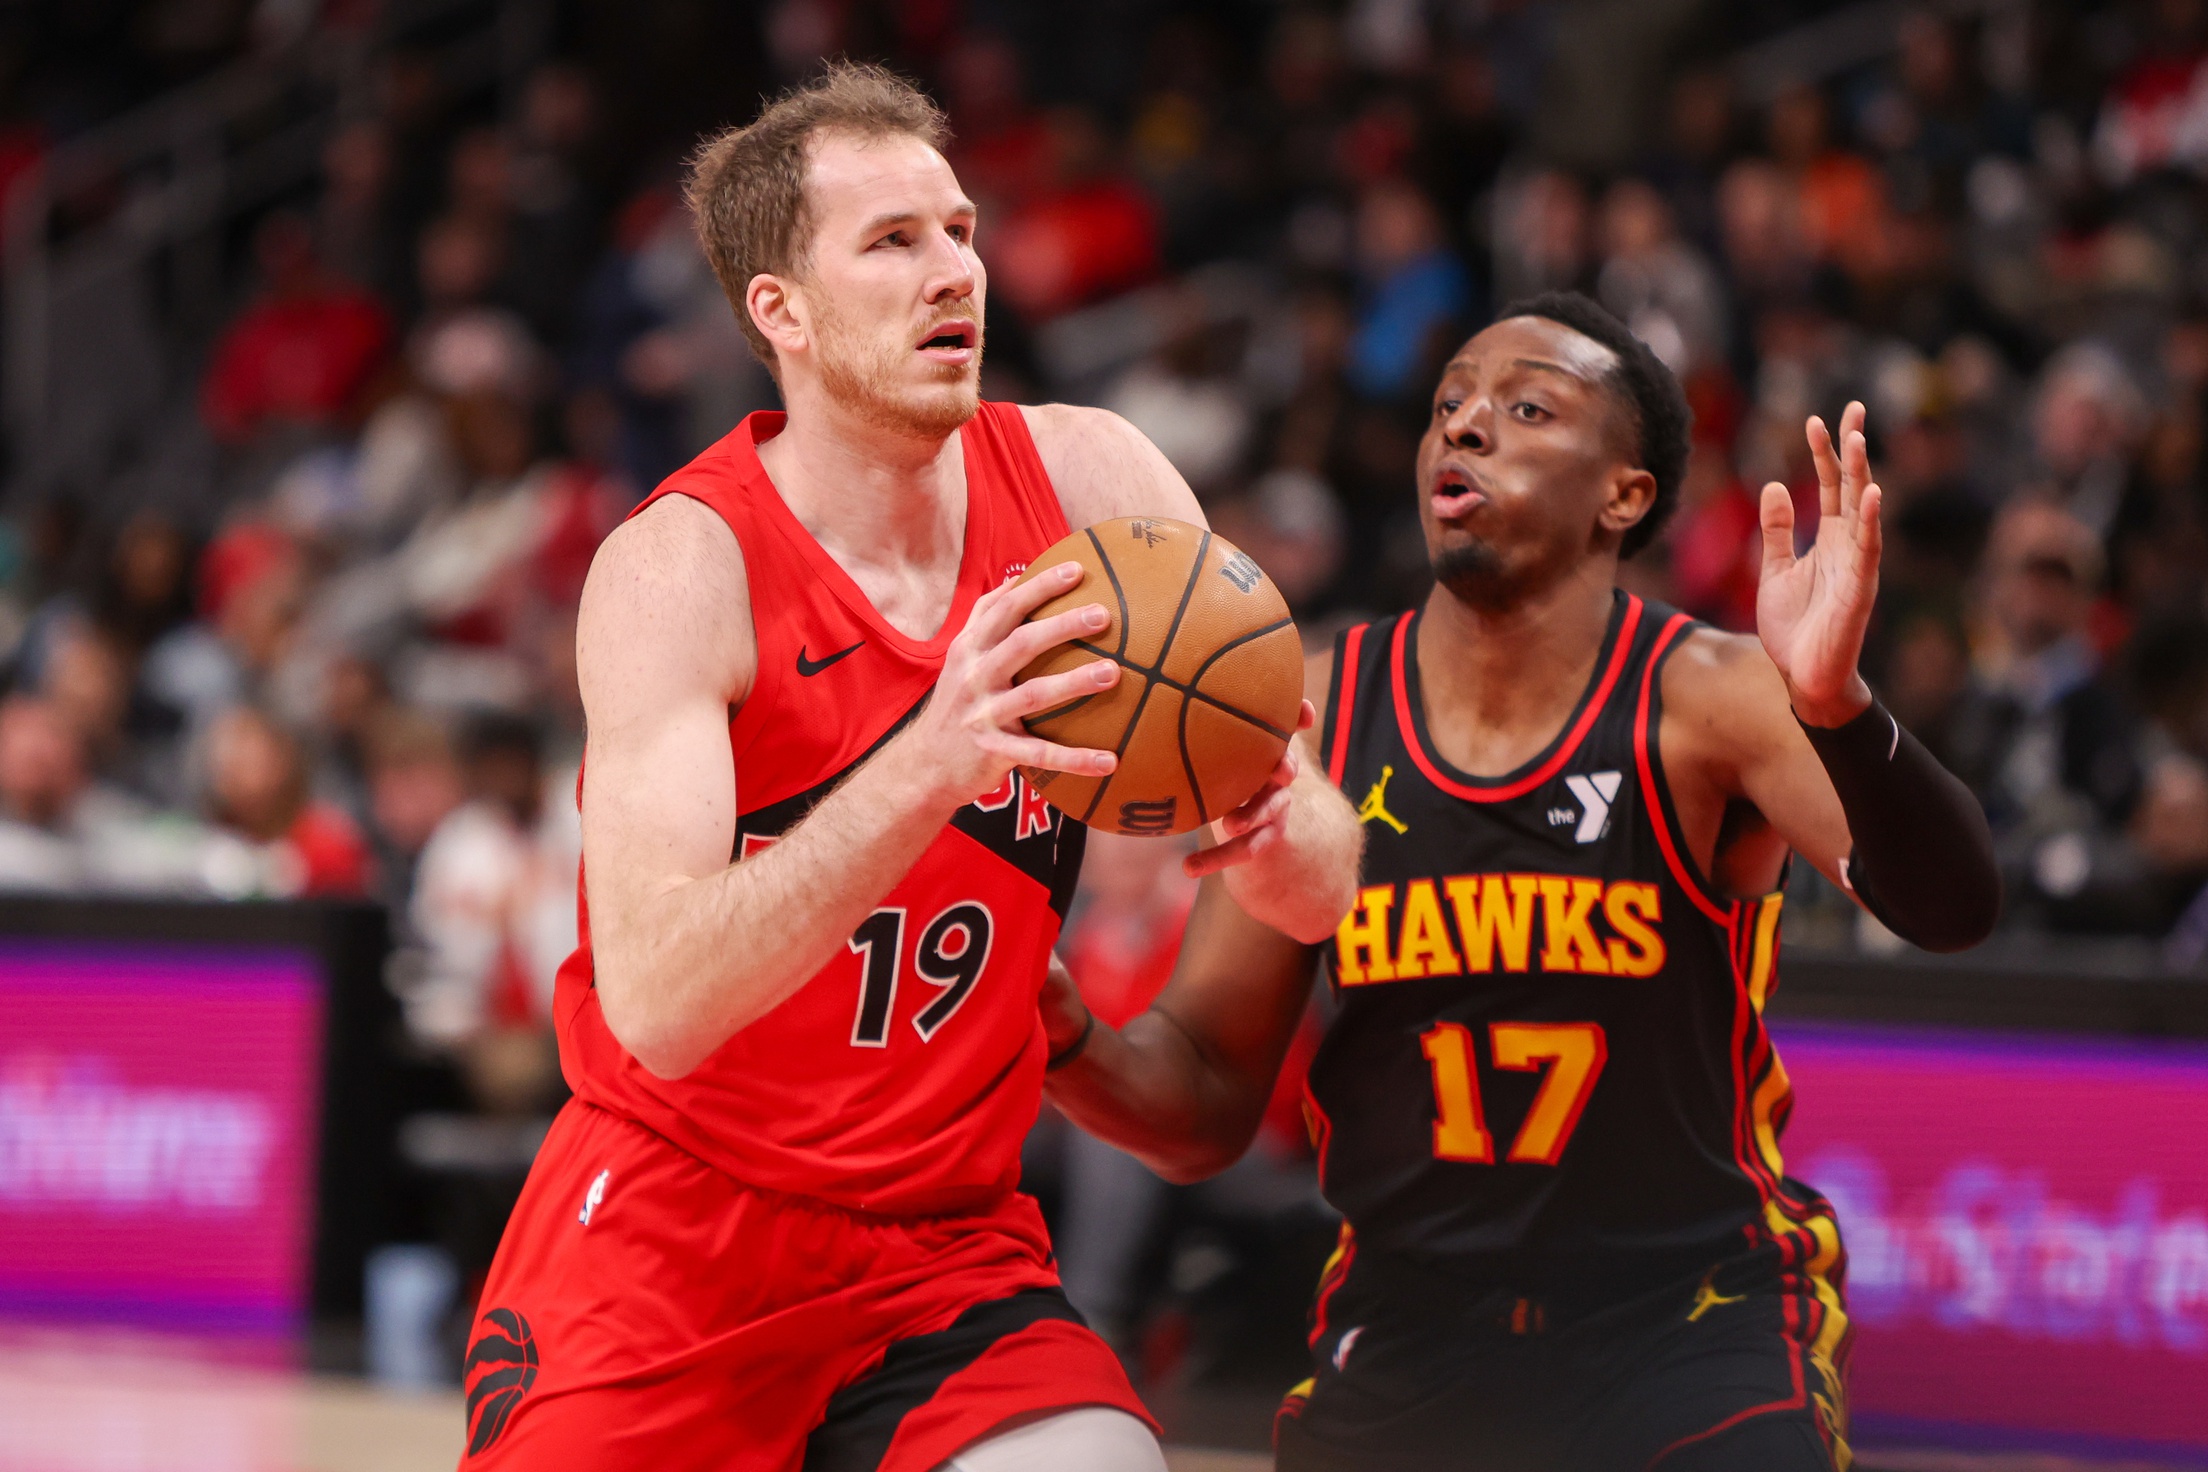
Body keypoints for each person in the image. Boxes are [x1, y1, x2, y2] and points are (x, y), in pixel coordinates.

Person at [460, 64, 1359, 1472]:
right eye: (893, 243)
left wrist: (1310, 847)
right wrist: (927, 761)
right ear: (783, 311)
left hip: (941, 1249)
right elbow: (658, 1005)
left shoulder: (1095, 487)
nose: (954, 272)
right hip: (671, 1243)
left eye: (960, 230)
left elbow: (1294, 821)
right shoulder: (678, 569)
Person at [1039, 291, 2001, 1471]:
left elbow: (1955, 910)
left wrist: (1841, 710)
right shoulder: (1316, 710)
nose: (1466, 426)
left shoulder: (1712, 697)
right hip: (1410, 1327)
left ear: (1624, 493)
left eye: (1526, 406)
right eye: (1449, 405)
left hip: (1691, 1323)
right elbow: (1199, 1100)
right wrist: (1063, 1031)